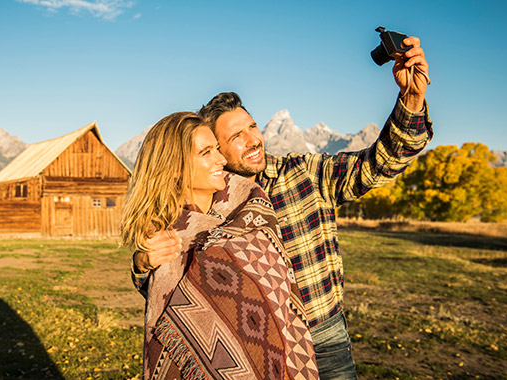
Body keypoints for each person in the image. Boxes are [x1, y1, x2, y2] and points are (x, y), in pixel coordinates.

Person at [131, 36, 432, 379]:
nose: (253, 140)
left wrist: (412, 99)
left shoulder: (302, 173)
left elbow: (380, 163)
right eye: (235, 137)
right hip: (252, 345)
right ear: (217, 148)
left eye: (253, 127)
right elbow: (172, 284)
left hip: (324, 336)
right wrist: (143, 262)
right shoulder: (205, 200)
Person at [122, 112, 319, 379]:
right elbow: (165, 300)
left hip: (274, 352)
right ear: (174, 166)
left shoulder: (251, 203)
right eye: (206, 152)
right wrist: (142, 265)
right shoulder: (164, 232)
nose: (222, 159)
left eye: (217, 148)